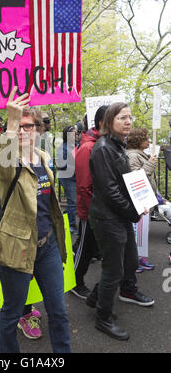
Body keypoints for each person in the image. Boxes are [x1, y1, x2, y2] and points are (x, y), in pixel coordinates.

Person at [0, 87, 71, 353]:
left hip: (47, 246)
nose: (25, 131)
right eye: (20, 126)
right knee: (12, 313)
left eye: (30, 126)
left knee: (58, 312)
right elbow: (2, 161)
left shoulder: (44, 158)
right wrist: (11, 120)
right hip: (18, 247)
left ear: (38, 130)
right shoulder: (8, 161)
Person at [88, 103, 154, 341]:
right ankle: (103, 318)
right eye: (122, 118)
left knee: (129, 261)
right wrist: (133, 212)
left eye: (130, 117)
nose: (128, 121)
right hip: (108, 218)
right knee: (114, 269)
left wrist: (139, 202)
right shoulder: (103, 148)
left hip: (120, 215)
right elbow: (110, 191)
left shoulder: (117, 145)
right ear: (109, 122)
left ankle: (95, 298)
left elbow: (126, 183)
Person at [71, 105, 108, 299]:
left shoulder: (103, 144)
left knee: (90, 247)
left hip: (102, 211)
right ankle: (74, 282)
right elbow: (85, 186)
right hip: (91, 211)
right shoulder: (87, 147)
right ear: (102, 123)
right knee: (85, 248)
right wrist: (91, 213)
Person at [126, 128, 157, 272]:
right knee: (135, 234)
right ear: (138, 140)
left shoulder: (139, 154)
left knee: (141, 234)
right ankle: (134, 261)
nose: (149, 141)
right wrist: (150, 163)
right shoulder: (132, 156)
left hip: (144, 201)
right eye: (146, 138)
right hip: (138, 202)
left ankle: (138, 259)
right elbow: (136, 179)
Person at [57, 125, 78, 235]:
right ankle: (71, 225)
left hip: (75, 177)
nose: (76, 135)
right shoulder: (63, 148)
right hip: (67, 177)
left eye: (76, 133)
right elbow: (61, 164)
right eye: (73, 133)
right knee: (72, 201)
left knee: (74, 202)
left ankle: (66, 216)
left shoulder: (76, 145)